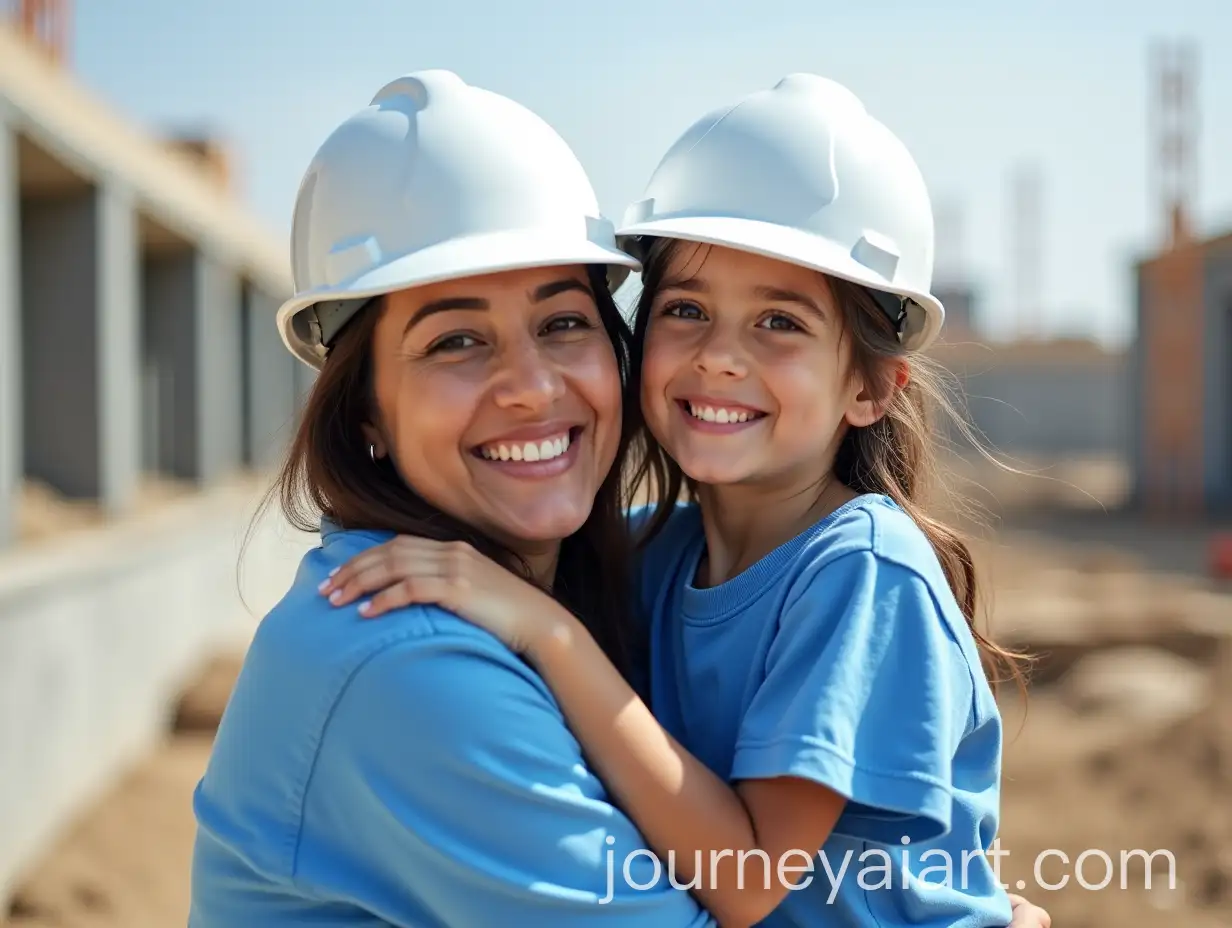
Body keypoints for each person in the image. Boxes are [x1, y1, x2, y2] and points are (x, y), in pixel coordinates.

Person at [321, 74, 1042, 927]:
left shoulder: (861, 573)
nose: (720, 357)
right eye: (686, 309)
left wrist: (550, 635)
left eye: (779, 323)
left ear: (872, 387)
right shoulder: (653, 553)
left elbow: (743, 883)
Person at [188, 69, 713, 926]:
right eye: (457, 340)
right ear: (366, 413)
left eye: (563, 323)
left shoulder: (582, 573)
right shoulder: (405, 664)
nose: (531, 387)